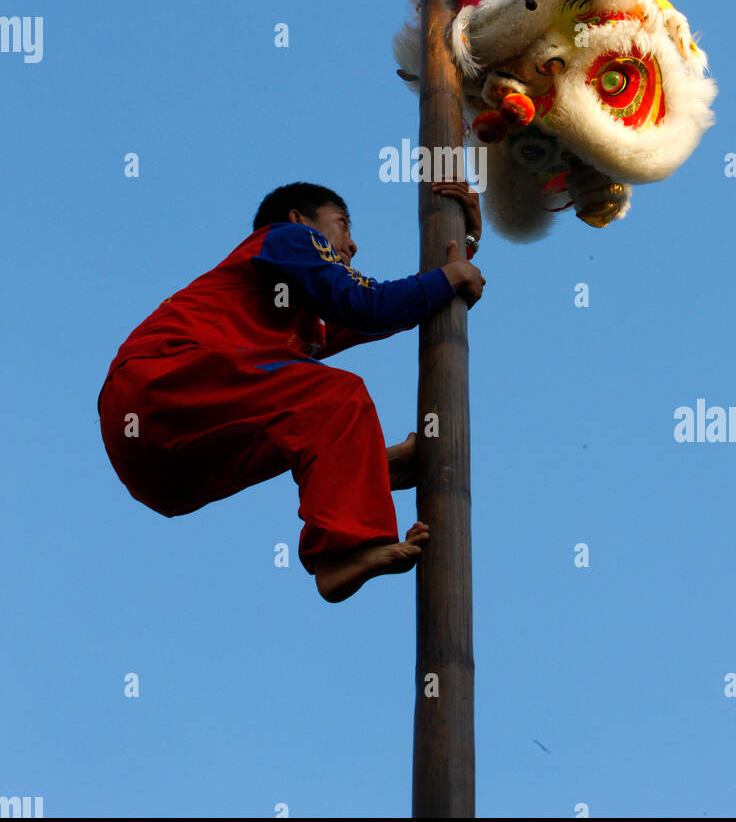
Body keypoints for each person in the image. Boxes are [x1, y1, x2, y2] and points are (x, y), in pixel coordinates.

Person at [97, 181, 484, 602]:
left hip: (165, 472)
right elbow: (367, 305)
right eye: (342, 225)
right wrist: (450, 276)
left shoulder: (296, 316)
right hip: (158, 378)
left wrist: (462, 244)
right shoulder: (287, 238)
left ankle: (367, 470)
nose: (352, 245)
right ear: (300, 220)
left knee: (313, 411)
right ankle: (341, 552)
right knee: (336, 396)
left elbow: (395, 307)